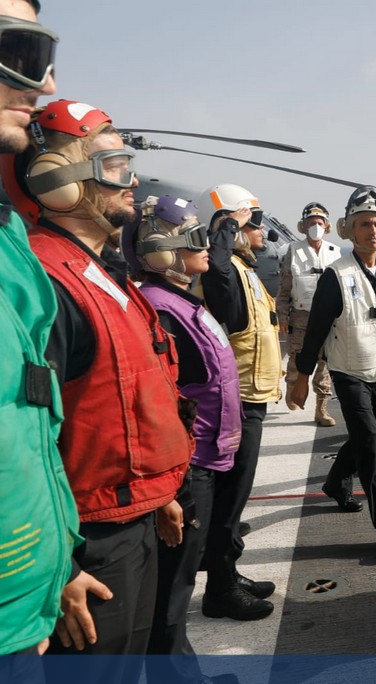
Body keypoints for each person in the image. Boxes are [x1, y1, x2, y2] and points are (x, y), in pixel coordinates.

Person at [0, 100, 192, 683]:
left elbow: (127, 397)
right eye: (112, 165)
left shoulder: (97, 272)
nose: (131, 181)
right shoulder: (49, 280)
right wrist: (57, 562)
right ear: (56, 177)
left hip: (128, 516)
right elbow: (27, 436)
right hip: (88, 542)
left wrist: (156, 490)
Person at [121, 196, 244, 684]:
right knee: (171, 591)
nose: (207, 248)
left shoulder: (180, 302)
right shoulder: (161, 310)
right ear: (163, 249)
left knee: (179, 583)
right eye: (196, 238)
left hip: (203, 461)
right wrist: (173, 493)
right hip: (185, 470)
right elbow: (160, 405)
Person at [0, 0, 76, 671]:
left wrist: (54, 566)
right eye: (20, 51)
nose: (43, 84)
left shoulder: (8, 239)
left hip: (26, 607)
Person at [289, 186, 376, 552]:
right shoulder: (335, 276)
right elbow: (317, 331)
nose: (372, 231)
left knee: (368, 437)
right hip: (348, 372)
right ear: (350, 230)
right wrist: (302, 379)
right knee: (371, 444)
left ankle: (336, 482)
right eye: (364, 224)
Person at [194, 183, 281, 622]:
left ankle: (228, 571)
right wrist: (227, 226)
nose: (263, 230)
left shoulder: (245, 269)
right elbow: (221, 290)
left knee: (236, 499)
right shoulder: (223, 270)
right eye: (255, 220)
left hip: (253, 398)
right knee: (229, 502)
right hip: (238, 400)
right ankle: (220, 591)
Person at [277, 201, 341, 427]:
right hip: (301, 317)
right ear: (303, 226)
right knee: (297, 359)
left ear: (327, 225)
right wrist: (282, 316)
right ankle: (292, 386)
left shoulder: (335, 252)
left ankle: (321, 408)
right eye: (311, 222)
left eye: (319, 222)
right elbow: (284, 288)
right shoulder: (292, 251)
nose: (316, 226)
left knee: (324, 362)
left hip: (327, 318)